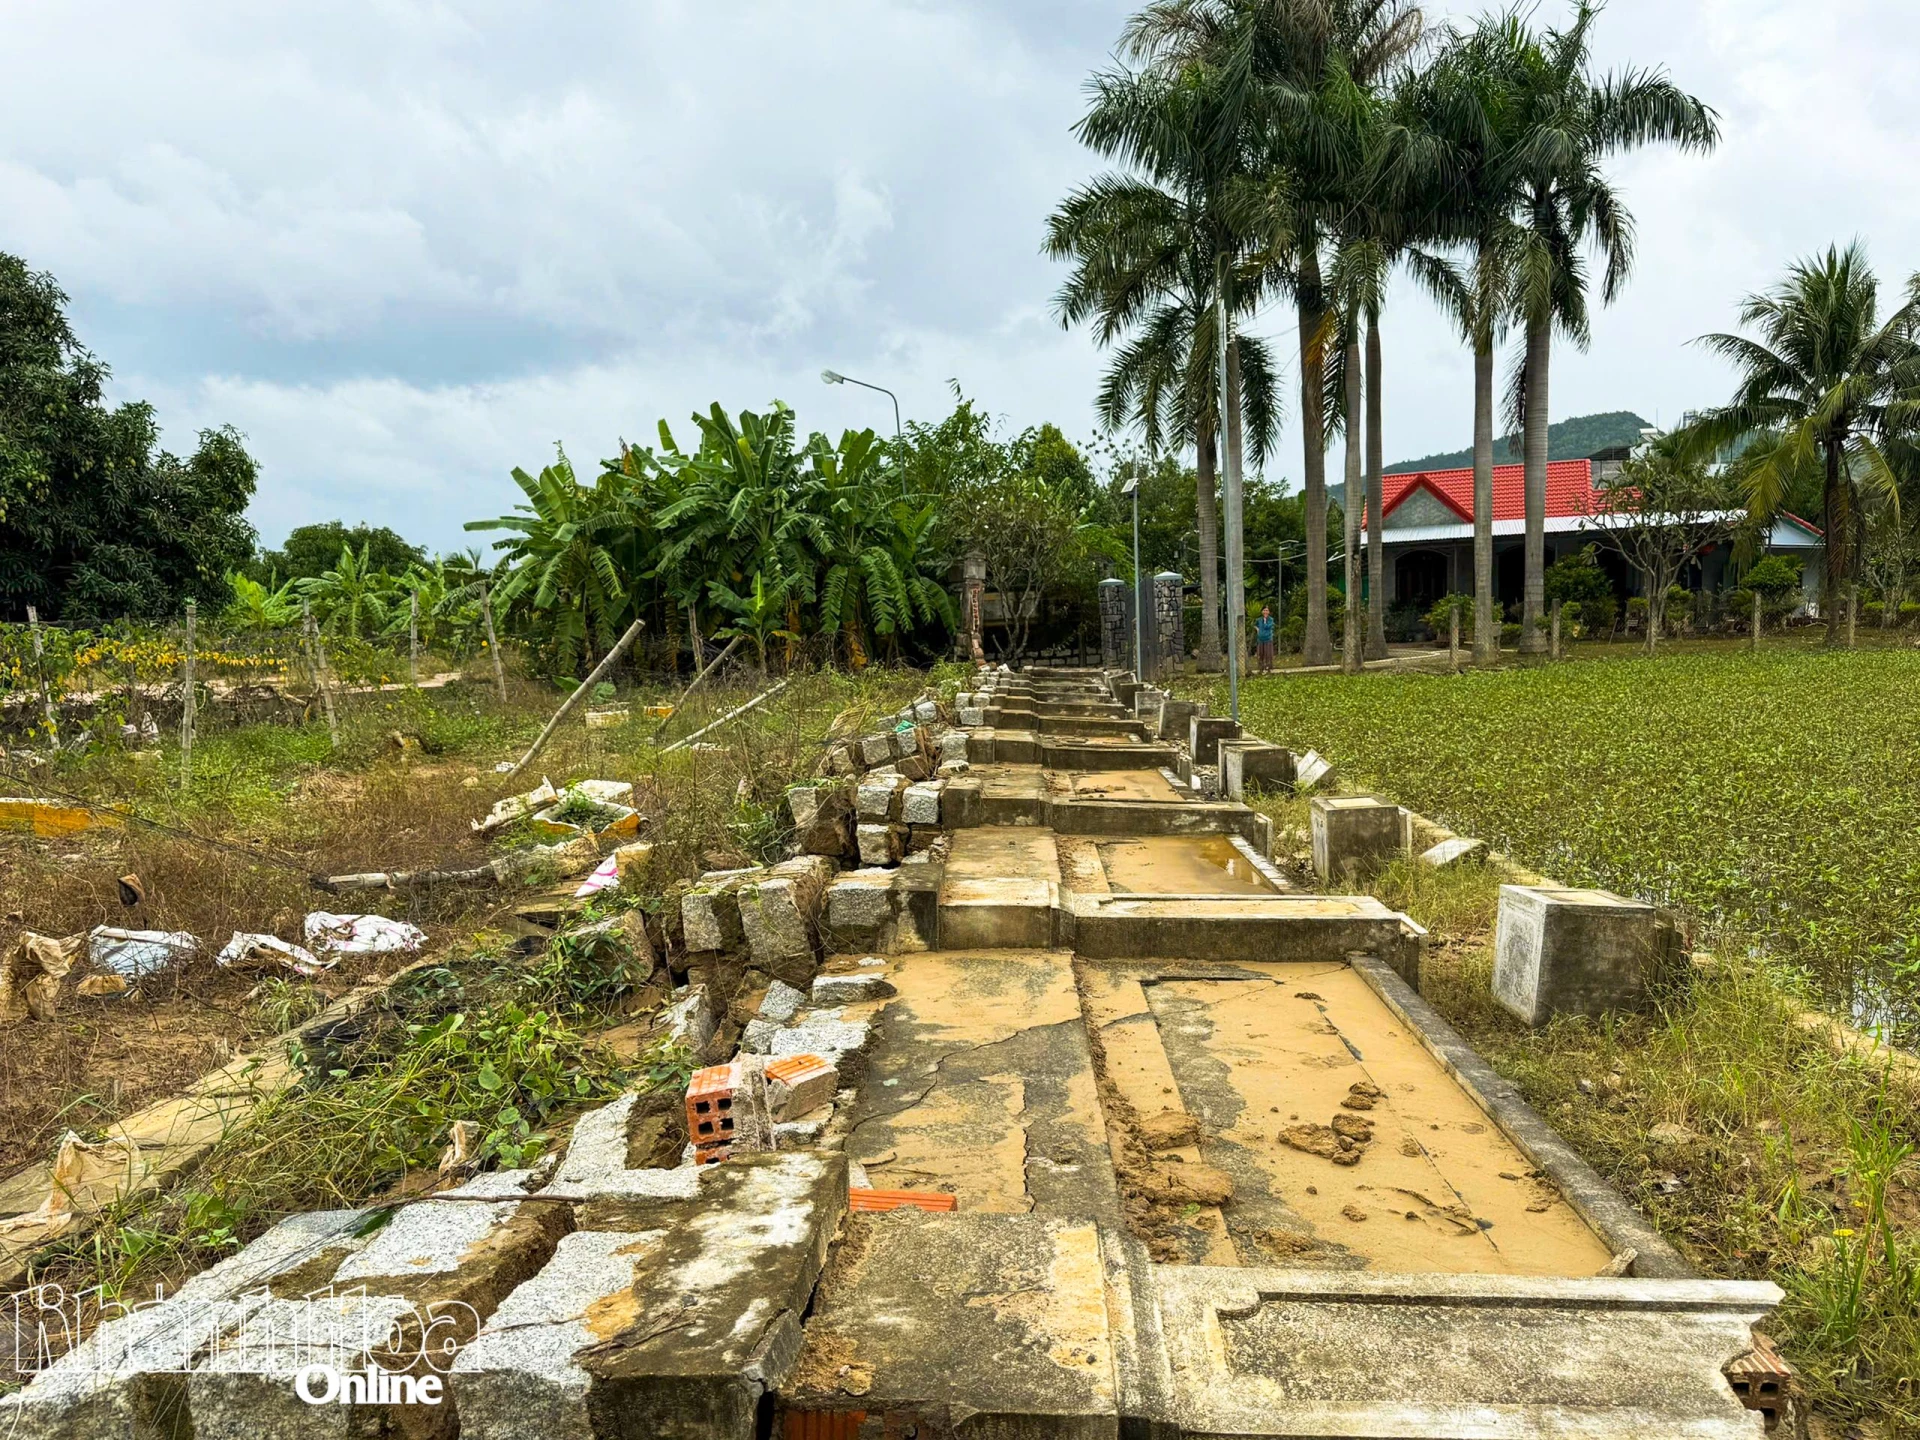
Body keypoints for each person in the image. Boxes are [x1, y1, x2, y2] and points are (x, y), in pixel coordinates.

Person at [1255, 605, 1276, 674]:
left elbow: (1267, 626)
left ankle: (1268, 667)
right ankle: (1261, 667)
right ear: (1262, 611)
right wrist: (1257, 629)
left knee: (1268, 653)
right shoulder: (1258, 620)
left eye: (1267, 610)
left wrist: (1264, 621)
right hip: (1260, 639)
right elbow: (1255, 624)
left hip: (1268, 639)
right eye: (1264, 610)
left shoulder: (1271, 619)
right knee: (1261, 653)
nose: (1265, 612)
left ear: (1269, 612)